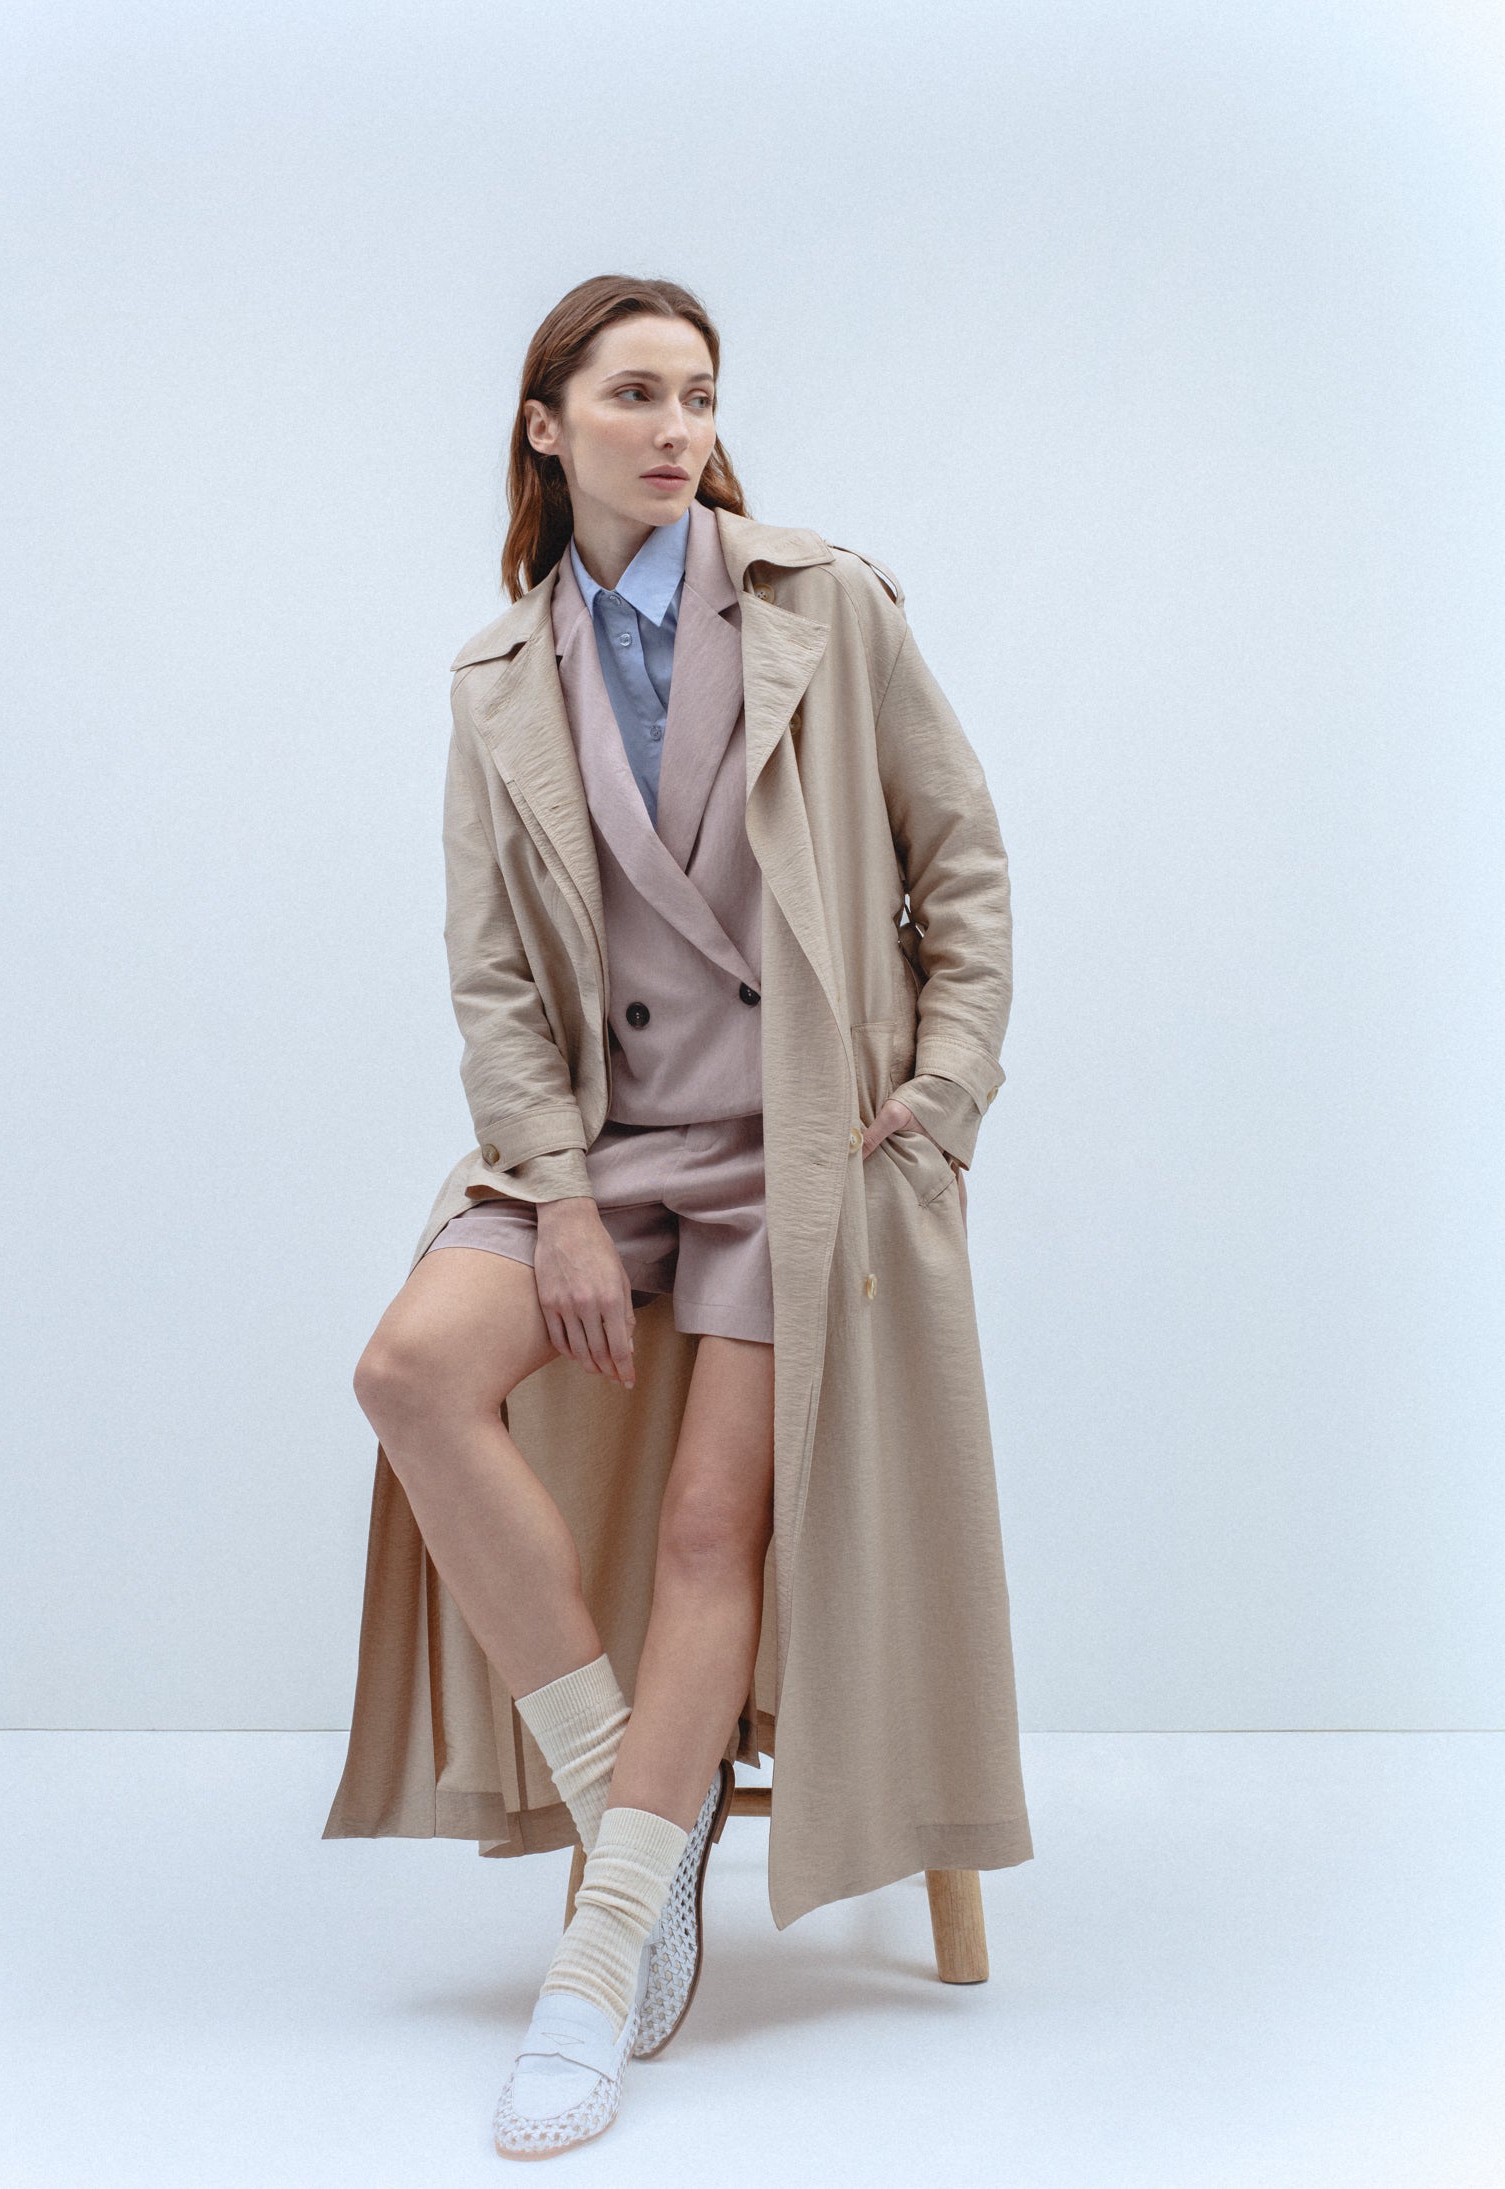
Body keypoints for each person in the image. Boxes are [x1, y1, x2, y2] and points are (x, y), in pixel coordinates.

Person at [331, 274, 1033, 2159]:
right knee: (409, 1372)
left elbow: (963, 866)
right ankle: (631, 1801)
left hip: (806, 1145)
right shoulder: (499, 677)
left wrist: (944, 1101)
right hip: (607, 1143)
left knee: (717, 1524)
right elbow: (497, 982)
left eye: (699, 395)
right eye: (634, 393)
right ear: (546, 424)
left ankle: (602, 1956)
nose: (676, 428)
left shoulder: (827, 605)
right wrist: (554, 1196)